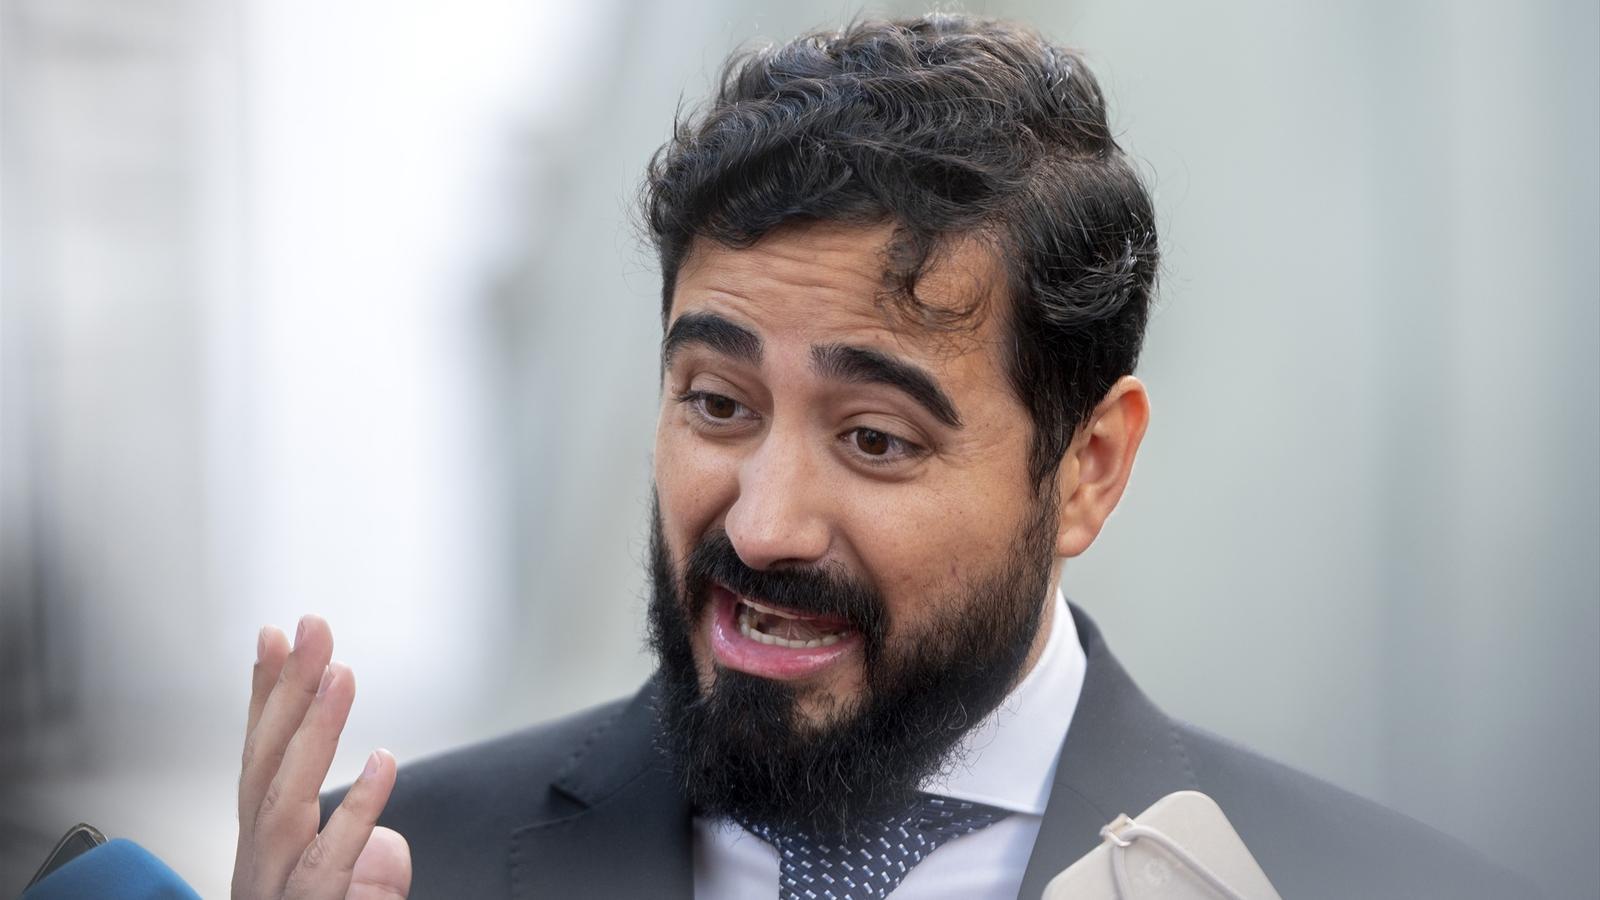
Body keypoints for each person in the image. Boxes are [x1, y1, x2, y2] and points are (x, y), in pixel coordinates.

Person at [228, 14, 1528, 900]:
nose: (764, 525)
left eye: (873, 438)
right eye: (718, 405)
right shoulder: (393, 872)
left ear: (1088, 468)